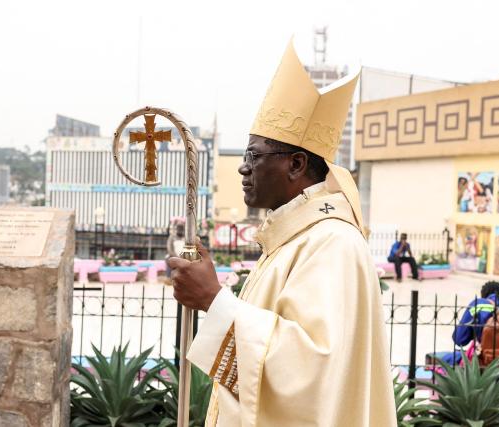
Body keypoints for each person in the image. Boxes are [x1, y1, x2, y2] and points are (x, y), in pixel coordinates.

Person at [167, 39, 395, 426]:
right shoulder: (293, 238)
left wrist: (213, 300)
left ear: (296, 164)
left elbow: (310, 375)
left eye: (254, 155)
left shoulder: (332, 243)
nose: (243, 168)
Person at [440, 281, 499, 365]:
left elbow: (459, 339)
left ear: (484, 295)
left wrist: (476, 330)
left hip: (485, 362)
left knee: (446, 359)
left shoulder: (479, 304)